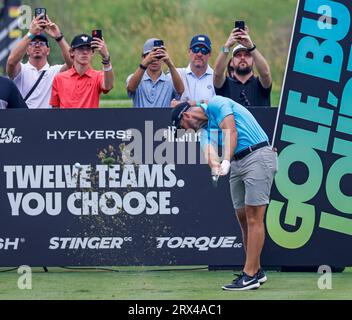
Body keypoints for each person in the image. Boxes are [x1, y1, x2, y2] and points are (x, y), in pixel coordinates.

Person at [171, 95, 278, 291]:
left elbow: (231, 132)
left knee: (255, 218)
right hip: (237, 163)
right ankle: (257, 270)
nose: (184, 132)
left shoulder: (216, 103)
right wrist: (215, 165)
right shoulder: (203, 131)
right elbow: (209, 152)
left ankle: (250, 275)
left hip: (258, 155)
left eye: (181, 128)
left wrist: (226, 160)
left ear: (185, 115)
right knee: (243, 218)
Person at [6, 14, 72, 109]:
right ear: (27, 50)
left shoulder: (55, 72)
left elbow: (74, 65)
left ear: (48, 50)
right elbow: (11, 62)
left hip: (46, 121)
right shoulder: (21, 70)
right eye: (32, 43)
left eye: (41, 43)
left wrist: (59, 37)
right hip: (23, 120)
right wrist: (30, 33)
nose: (37, 46)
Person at [50, 33, 114, 108]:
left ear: (92, 53)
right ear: (72, 52)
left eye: (88, 49)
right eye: (81, 48)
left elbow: (108, 86)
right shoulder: (59, 78)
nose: (85, 52)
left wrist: (106, 57)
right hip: (66, 120)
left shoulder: (98, 76)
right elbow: (55, 109)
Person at [214, 26, 272, 107]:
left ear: (253, 60)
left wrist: (251, 47)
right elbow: (217, 73)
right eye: (238, 55)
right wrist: (227, 46)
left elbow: (265, 73)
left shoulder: (261, 83)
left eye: (247, 55)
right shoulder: (225, 84)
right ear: (231, 62)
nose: (242, 58)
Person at [126, 38, 184, 108]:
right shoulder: (135, 78)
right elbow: (131, 88)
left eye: (158, 56)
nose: (155, 60)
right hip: (139, 118)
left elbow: (180, 90)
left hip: (162, 119)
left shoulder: (170, 80)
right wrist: (144, 64)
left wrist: (170, 64)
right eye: (151, 55)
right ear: (143, 57)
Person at [175, 34, 215, 103]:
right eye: (195, 50)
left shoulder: (215, 78)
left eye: (204, 51)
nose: (199, 54)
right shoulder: (178, 74)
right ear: (189, 51)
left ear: (209, 54)